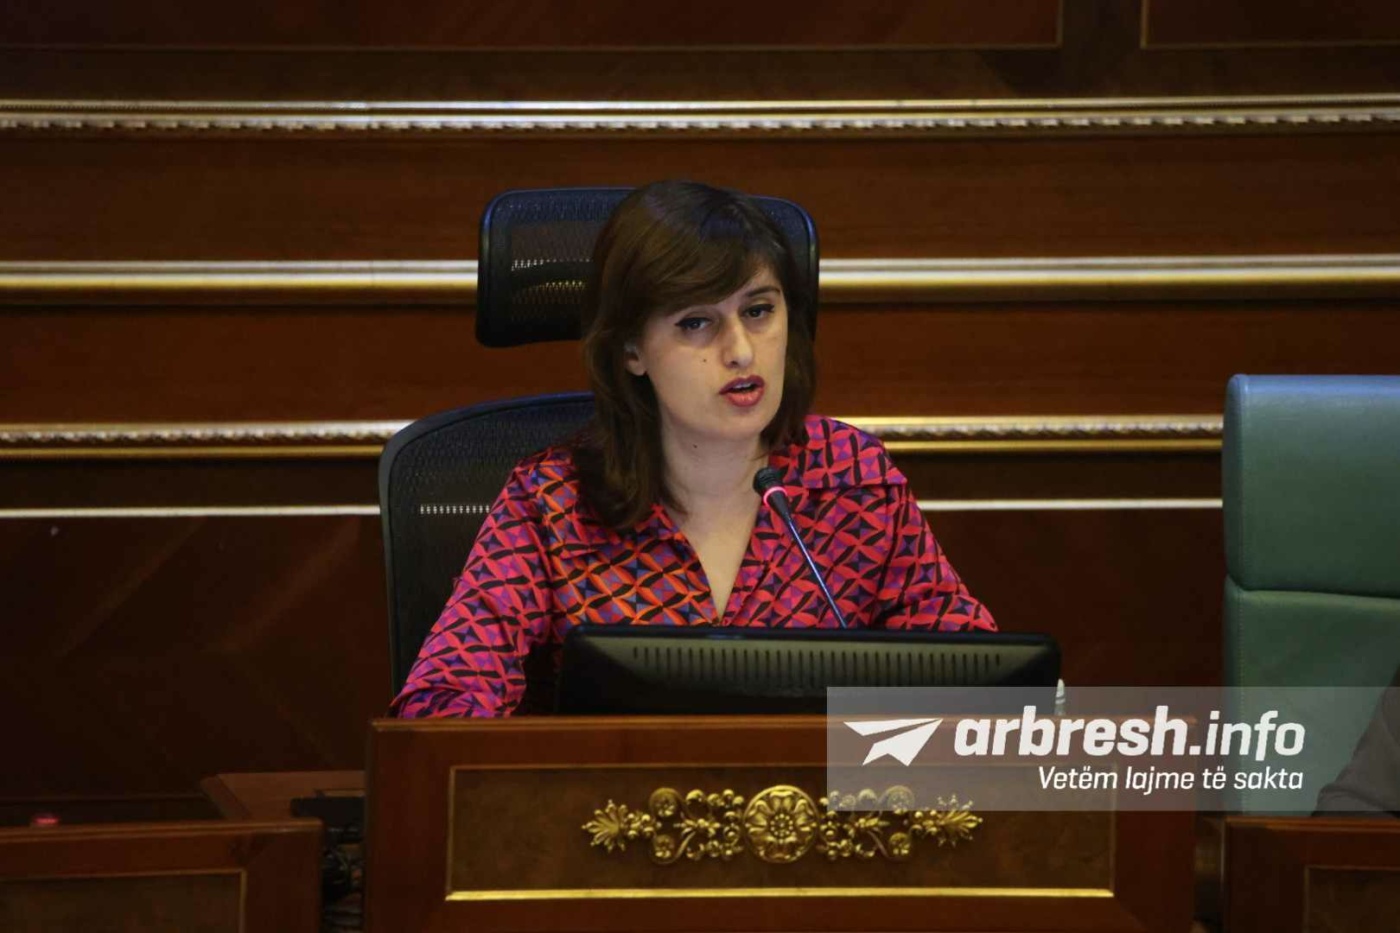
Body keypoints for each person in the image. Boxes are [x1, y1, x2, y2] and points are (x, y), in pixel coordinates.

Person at [391, 180, 996, 718]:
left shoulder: (851, 477)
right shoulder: (551, 502)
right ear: (631, 350)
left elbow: (976, 678)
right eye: (696, 323)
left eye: (758, 311)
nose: (741, 351)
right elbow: (441, 704)